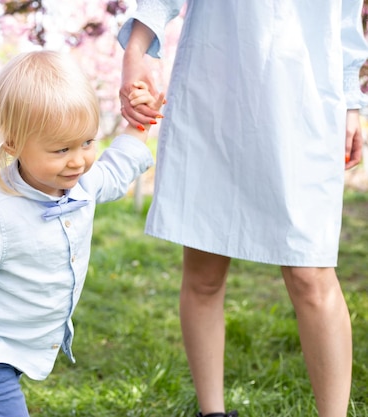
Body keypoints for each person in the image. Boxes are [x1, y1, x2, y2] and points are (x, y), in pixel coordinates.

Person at [117, 2, 368, 417]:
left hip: (306, 93)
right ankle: (212, 413)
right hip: (214, 85)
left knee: (310, 273)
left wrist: (351, 102)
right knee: (204, 269)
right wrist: (137, 51)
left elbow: (343, 13)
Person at [0, 50, 163, 416]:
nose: (78, 160)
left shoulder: (81, 182)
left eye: (87, 142)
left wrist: (138, 123)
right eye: (60, 149)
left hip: (18, 344)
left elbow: (117, 170)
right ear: (13, 145)